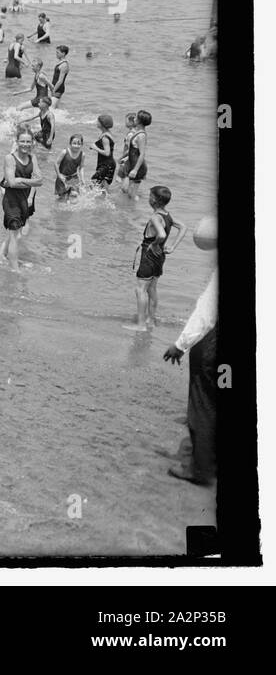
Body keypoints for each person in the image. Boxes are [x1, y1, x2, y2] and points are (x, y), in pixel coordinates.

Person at [162, 221, 218, 486]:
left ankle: (200, 469)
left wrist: (181, 344)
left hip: (213, 345)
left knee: (203, 403)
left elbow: (206, 312)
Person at [125, 185, 185, 332]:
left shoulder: (155, 217)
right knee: (152, 289)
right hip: (160, 257)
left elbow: (162, 235)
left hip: (149, 256)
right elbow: (183, 227)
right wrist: (172, 247)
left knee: (140, 290)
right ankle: (150, 321)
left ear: (154, 200)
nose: (148, 198)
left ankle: (140, 325)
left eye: (150, 195)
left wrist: (154, 244)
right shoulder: (167, 215)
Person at [0, 128, 43, 272]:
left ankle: (1, 256)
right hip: (11, 202)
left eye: (28, 142)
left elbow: (40, 181)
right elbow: (11, 183)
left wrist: (21, 180)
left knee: (17, 234)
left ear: (32, 143)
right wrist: (29, 182)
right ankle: (15, 269)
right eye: (22, 141)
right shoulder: (9, 158)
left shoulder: (32, 158)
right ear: (17, 142)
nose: (25, 144)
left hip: (23, 200)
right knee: (14, 235)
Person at [120, 110, 152, 198]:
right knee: (125, 189)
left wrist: (135, 170)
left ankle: (136, 204)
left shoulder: (141, 136)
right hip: (132, 164)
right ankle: (130, 206)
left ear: (139, 121)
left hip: (138, 167)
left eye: (136, 117)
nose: (134, 118)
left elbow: (142, 154)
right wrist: (124, 158)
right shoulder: (137, 132)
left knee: (131, 193)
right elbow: (132, 151)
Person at [53, 134, 85, 198]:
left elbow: (81, 167)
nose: (76, 146)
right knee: (63, 198)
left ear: (82, 144)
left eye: (79, 144)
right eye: (74, 143)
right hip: (62, 178)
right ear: (70, 143)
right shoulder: (64, 152)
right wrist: (59, 175)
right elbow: (56, 163)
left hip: (74, 177)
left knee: (75, 195)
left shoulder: (82, 154)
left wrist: (82, 179)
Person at [91, 114, 117, 187]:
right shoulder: (107, 133)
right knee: (103, 186)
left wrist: (95, 148)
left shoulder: (105, 137)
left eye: (98, 121)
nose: (96, 122)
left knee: (94, 181)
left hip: (106, 165)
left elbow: (107, 153)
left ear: (102, 124)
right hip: (107, 164)